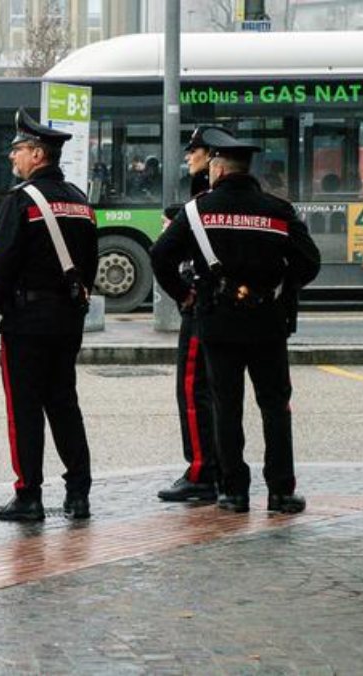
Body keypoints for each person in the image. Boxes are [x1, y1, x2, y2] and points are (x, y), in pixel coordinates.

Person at [150, 128, 321, 514]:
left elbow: (160, 255)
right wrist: (281, 287)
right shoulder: (278, 211)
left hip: (218, 322)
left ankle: (234, 492)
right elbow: (310, 262)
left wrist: (184, 294)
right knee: (275, 406)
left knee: (226, 406)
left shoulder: (197, 212)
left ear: (219, 168)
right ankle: (281, 491)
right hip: (268, 323)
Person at [0, 109, 98, 523]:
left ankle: (28, 495)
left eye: (19, 150)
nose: (13, 157)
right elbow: (90, 262)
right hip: (68, 319)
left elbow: (0, 264)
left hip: (26, 322)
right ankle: (78, 493)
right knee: (65, 404)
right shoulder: (79, 200)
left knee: (25, 410)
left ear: (38, 154)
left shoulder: (21, 201)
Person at [156, 126, 228, 504]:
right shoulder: (251, 200)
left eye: (194, 150)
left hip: (203, 307)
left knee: (194, 389)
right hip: (242, 311)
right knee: (225, 393)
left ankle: (202, 472)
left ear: (213, 157)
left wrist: (184, 295)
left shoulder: (201, 203)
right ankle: (228, 472)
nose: (188, 157)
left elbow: (162, 255)